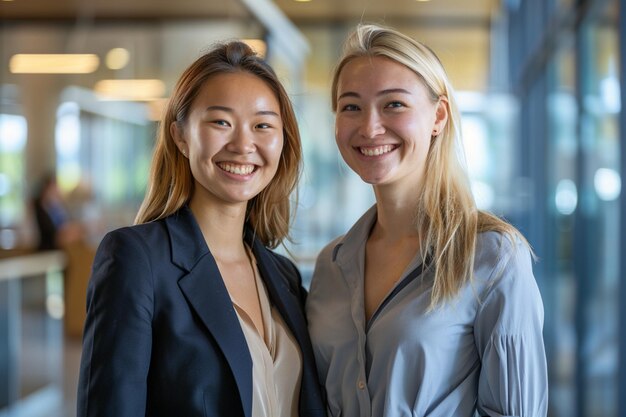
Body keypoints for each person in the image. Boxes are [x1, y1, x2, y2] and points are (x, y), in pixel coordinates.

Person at [306, 24, 548, 417]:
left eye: (394, 104)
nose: (369, 127)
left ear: (438, 116)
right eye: (351, 106)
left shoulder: (492, 256)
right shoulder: (331, 264)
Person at [77, 41, 326, 417]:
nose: (244, 145)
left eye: (262, 125)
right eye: (221, 122)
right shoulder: (137, 260)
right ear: (180, 136)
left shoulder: (283, 276)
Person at [32, 173, 83, 250]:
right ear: (45, 190)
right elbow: (48, 233)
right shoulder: (38, 209)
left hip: (62, 246)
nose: (55, 191)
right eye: (52, 189)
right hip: (48, 249)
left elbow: (67, 222)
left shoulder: (57, 207)